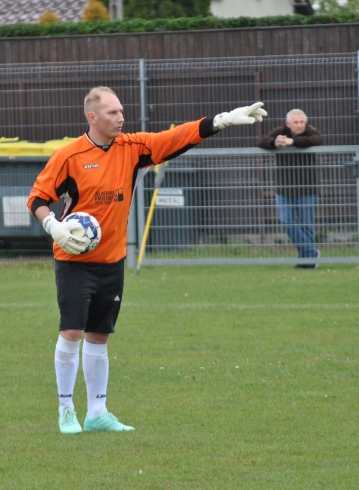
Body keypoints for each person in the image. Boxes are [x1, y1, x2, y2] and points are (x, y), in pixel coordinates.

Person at [28, 87, 267, 434]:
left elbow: (174, 138)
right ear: (92, 118)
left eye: (121, 111)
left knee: (99, 335)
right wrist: (54, 227)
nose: (120, 118)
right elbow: (38, 197)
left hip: (112, 259)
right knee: (72, 331)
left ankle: (97, 413)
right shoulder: (69, 156)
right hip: (75, 260)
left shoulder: (132, 148)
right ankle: (66, 410)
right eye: (112, 113)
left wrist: (221, 120)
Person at [257, 109, 324, 269]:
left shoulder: (311, 131)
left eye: (302, 122)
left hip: (307, 188)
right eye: (296, 122)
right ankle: (311, 252)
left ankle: (306, 261)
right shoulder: (280, 131)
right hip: (284, 188)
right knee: (287, 222)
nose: (300, 125)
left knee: (307, 226)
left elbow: (318, 140)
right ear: (288, 124)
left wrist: (292, 142)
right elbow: (261, 141)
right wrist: (275, 143)